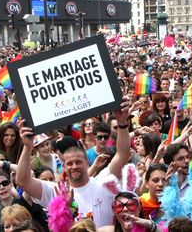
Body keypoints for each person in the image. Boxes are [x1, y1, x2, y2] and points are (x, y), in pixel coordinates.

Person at [16, 97, 132, 228]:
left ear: (87, 162)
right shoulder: (55, 192)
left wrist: (122, 124)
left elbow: (123, 155)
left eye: (78, 162)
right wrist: (27, 147)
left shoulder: (103, 182)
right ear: (63, 167)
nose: (74, 166)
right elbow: (23, 181)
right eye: (69, 164)